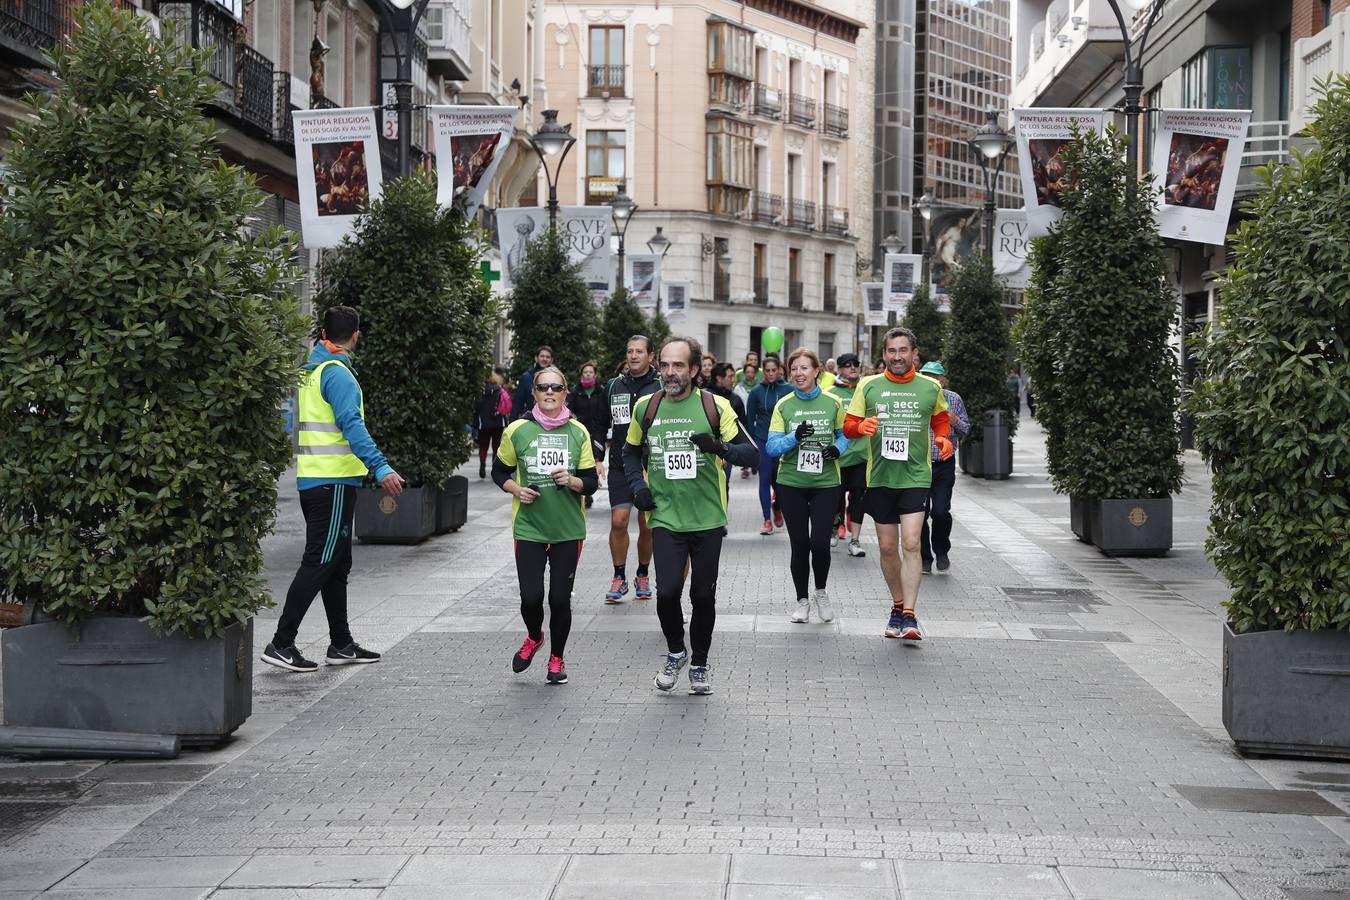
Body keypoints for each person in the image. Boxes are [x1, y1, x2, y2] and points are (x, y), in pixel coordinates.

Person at [264, 306, 406, 673]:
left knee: (337, 563)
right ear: (356, 336)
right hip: (332, 483)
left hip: (315, 480)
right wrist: (381, 466)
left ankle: (341, 644)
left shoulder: (310, 371)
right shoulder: (338, 375)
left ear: (323, 331)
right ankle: (281, 642)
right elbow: (351, 426)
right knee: (320, 561)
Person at [623, 336, 758, 695]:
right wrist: (639, 488)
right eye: (665, 365)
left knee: (702, 596)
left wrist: (719, 447)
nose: (669, 372)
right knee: (666, 593)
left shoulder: (716, 407)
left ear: (695, 370)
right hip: (665, 517)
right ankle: (675, 651)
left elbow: (753, 454)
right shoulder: (646, 407)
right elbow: (630, 453)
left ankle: (699, 662)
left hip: (708, 518)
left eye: (678, 365)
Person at [842, 327, 953, 642]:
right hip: (879, 478)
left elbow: (940, 419)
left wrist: (943, 438)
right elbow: (849, 426)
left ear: (913, 353)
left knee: (912, 544)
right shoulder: (869, 385)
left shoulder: (930, 387)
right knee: (889, 549)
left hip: (916, 476)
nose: (897, 357)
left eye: (903, 351)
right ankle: (897, 605)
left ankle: (910, 615)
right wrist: (861, 426)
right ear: (884, 355)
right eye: (891, 351)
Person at [494, 366, 598, 685]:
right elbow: (501, 472)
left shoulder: (578, 432)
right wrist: (516, 489)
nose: (549, 392)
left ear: (566, 392)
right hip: (529, 527)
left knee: (559, 599)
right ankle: (534, 636)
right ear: (534, 393)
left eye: (556, 387)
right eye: (543, 388)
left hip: (568, 528)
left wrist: (573, 481)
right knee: (530, 597)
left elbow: (592, 482)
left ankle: (557, 658)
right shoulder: (517, 430)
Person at [766, 348, 850, 624]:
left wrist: (837, 450)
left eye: (804, 368)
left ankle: (821, 593)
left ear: (817, 371)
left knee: (820, 544)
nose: (799, 374)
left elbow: (845, 435)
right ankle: (802, 600)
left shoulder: (833, 402)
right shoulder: (784, 405)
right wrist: (794, 436)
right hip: (791, 482)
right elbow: (771, 447)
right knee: (800, 545)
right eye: (794, 369)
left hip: (826, 482)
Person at [598, 335, 662, 603]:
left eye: (639, 351)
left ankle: (643, 574)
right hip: (621, 464)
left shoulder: (660, 386)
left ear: (651, 356)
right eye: (629, 351)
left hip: (651, 464)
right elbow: (601, 423)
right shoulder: (614, 386)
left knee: (646, 524)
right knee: (618, 520)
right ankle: (619, 576)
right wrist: (596, 456)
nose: (634, 356)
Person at [917, 361, 970, 574]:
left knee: (940, 511)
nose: (931, 380)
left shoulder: (953, 399)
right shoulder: (917, 397)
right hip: (919, 463)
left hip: (944, 464)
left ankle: (941, 550)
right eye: (927, 375)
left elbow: (966, 429)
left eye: (935, 377)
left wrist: (954, 419)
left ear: (943, 380)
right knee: (918, 513)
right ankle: (925, 557)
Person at [827, 352, 870, 558]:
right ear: (839, 369)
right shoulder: (831, 393)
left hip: (861, 455)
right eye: (847, 365)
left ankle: (855, 540)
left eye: (856, 364)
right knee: (835, 498)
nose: (852, 368)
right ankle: (835, 525)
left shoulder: (866, 389)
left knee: (858, 499)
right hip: (838, 456)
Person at [745, 355, 793, 535]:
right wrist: (751, 445)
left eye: (774, 370)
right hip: (762, 440)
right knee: (764, 480)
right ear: (763, 371)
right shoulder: (756, 392)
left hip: (782, 441)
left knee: (779, 482)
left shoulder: (789, 389)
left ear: (779, 369)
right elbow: (749, 420)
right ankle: (767, 520)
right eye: (767, 370)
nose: (771, 374)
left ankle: (777, 507)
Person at [567, 361, 609, 510]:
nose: (588, 374)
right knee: (580, 461)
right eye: (585, 372)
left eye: (591, 372)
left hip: (597, 432)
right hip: (579, 433)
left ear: (595, 374)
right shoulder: (575, 392)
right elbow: (569, 411)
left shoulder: (601, 391)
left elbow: (605, 413)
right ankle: (585, 493)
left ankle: (589, 488)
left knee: (595, 460)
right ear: (581, 374)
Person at [473, 372, 510, 479]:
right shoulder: (499, 390)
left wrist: (475, 424)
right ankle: (494, 467)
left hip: (483, 423)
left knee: (483, 446)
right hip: (497, 422)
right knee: (496, 445)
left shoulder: (480, 391)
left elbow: (476, 408)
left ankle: (482, 465)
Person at [511, 345, 553, 420]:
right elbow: (518, 402)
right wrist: (512, 422)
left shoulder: (556, 378)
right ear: (536, 358)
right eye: (542, 356)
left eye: (547, 357)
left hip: (551, 419)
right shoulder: (526, 377)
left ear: (551, 360)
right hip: (531, 419)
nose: (544, 359)